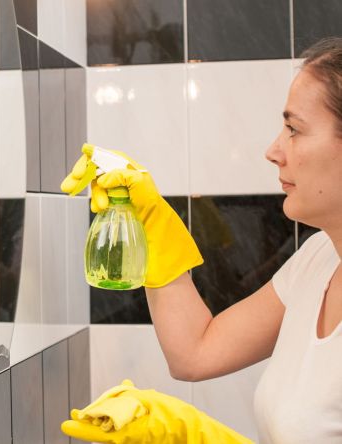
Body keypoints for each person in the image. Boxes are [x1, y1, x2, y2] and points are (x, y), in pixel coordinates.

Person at [60, 37, 342, 443]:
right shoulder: (319, 259)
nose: (273, 150)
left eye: (294, 129)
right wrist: (152, 220)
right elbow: (197, 351)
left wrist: (198, 436)